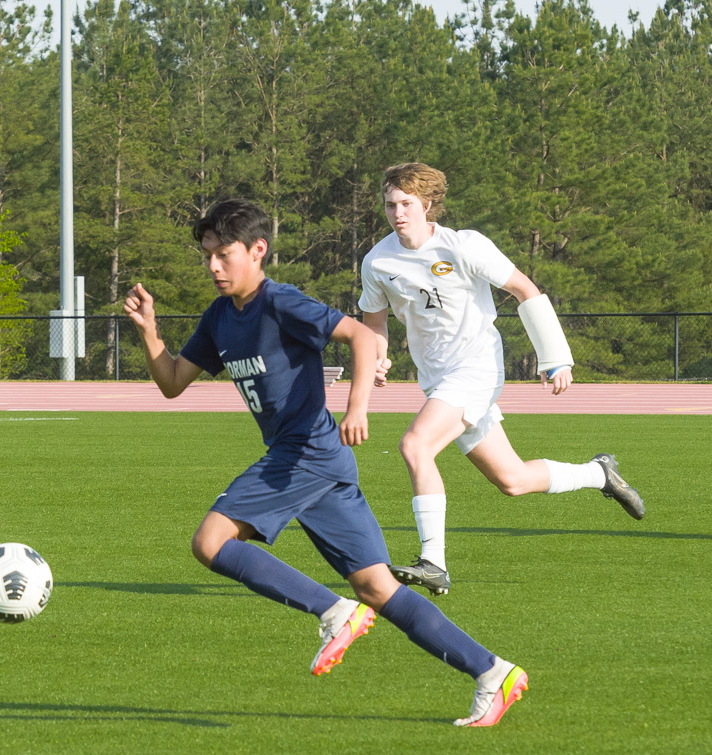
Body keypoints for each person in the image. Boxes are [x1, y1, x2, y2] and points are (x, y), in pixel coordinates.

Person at [124, 198, 527, 727]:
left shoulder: (281, 302)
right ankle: (493, 672)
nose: (214, 267)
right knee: (378, 587)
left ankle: (333, 612)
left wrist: (357, 405)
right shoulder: (220, 317)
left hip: (304, 455)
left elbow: (361, 335)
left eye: (224, 254)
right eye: (207, 256)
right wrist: (149, 330)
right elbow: (174, 382)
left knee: (210, 542)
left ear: (258, 250)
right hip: (323, 465)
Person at [359, 162, 645, 596]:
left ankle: (433, 561)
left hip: (476, 366)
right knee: (512, 481)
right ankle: (599, 474)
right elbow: (374, 324)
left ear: (429, 204)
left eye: (406, 204)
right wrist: (378, 358)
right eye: (390, 204)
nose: (397, 212)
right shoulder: (378, 261)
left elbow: (525, 290)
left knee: (415, 445)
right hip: (437, 379)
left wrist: (555, 358)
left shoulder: (464, 246)